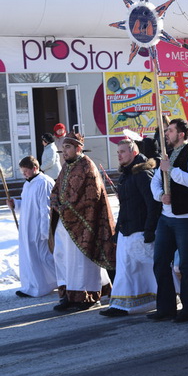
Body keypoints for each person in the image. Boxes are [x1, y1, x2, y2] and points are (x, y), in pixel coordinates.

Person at [50, 132, 115, 311]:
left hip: (83, 223)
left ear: (78, 148)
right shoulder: (66, 167)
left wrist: (67, 207)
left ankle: (86, 296)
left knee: (79, 260)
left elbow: (90, 197)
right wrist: (55, 201)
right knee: (62, 257)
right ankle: (68, 294)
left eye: (68, 147)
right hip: (64, 222)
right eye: (63, 147)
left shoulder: (87, 165)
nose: (64, 151)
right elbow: (57, 188)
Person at [149, 118, 188, 322]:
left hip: (186, 218)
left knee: (187, 265)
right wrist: (159, 196)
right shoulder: (167, 154)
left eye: (171, 131)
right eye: (167, 130)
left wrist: (171, 171)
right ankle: (166, 308)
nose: (167, 134)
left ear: (181, 134)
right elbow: (155, 181)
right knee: (160, 261)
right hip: (166, 216)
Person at [100, 139, 161, 317]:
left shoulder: (142, 173)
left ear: (133, 152)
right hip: (127, 229)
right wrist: (118, 229)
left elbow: (152, 204)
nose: (119, 155)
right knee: (126, 269)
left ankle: (158, 298)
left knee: (147, 268)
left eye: (123, 152)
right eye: (118, 152)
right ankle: (123, 304)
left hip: (140, 229)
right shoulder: (127, 174)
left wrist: (149, 229)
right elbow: (125, 205)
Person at [8, 156, 57, 297]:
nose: (24, 174)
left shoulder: (44, 182)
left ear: (35, 168)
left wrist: (45, 231)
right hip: (27, 227)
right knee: (30, 257)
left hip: (37, 227)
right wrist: (15, 204)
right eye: (22, 171)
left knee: (43, 257)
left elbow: (46, 208)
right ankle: (32, 285)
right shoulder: (28, 184)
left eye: (26, 171)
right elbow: (26, 205)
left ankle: (54, 282)